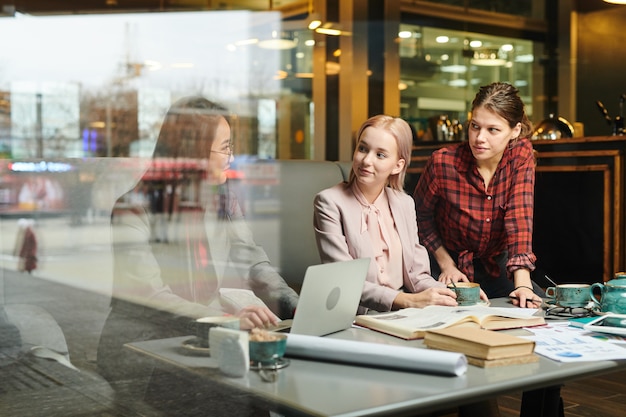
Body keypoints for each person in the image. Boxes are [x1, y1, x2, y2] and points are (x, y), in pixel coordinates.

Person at [96, 96, 298, 412]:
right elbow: (150, 298)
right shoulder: (133, 208)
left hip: (206, 340)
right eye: (226, 147)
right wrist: (225, 321)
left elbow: (252, 261)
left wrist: (292, 302)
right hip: (146, 348)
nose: (231, 157)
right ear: (194, 153)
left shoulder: (222, 198)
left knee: (260, 398)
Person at [414, 82, 563, 417]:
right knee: (469, 345)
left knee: (548, 333)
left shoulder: (521, 155)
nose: (479, 138)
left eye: (493, 130)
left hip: (499, 265)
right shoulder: (443, 162)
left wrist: (522, 281)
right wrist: (445, 264)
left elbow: (520, 218)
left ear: (515, 131)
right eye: (474, 126)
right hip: (450, 265)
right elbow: (419, 215)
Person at [313, 114, 480, 315]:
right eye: (362, 149)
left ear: (398, 165)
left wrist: (458, 296)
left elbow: (418, 276)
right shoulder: (329, 202)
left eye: (380, 155)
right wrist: (407, 301)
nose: (366, 160)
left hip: (403, 315)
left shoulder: (404, 203)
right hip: (355, 317)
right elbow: (345, 281)